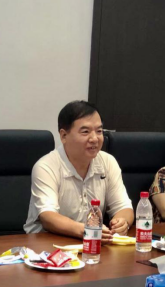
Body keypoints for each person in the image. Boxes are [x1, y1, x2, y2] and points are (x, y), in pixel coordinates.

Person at [25, 101, 134, 242]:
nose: (94, 139)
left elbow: (123, 207)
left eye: (99, 131)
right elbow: (48, 216)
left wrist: (122, 222)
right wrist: (85, 230)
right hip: (45, 243)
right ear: (64, 136)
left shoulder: (108, 162)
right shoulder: (46, 166)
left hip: (89, 243)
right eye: (85, 132)